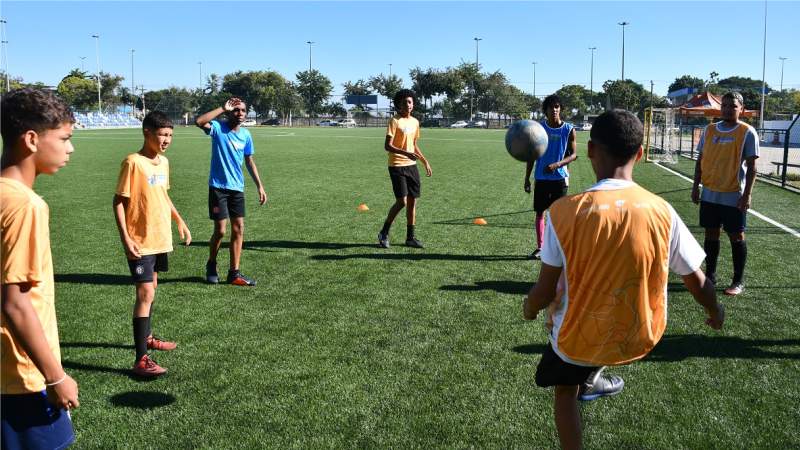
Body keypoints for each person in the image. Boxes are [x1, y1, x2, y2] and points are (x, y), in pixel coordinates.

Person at [523, 110, 725, 450]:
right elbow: (697, 280)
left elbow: (544, 291)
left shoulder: (565, 211)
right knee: (605, 306)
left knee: (563, 390)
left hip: (580, 336)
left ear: (589, 151)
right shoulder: (661, 210)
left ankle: (583, 387)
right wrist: (715, 310)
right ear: (640, 154)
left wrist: (528, 308)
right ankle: (593, 377)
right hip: (640, 334)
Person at [1, 88, 79, 449]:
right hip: (22, 376)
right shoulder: (24, 205)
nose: (70, 149)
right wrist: (55, 377)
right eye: (64, 138)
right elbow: (15, 302)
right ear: (31, 139)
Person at [113, 111, 191, 377]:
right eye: (162, 134)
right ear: (147, 132)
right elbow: (119, 202)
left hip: (160, 238)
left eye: (170, 135)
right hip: (140, 242)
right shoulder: (133, 162)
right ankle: (141, 359)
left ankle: (147, 337)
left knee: (152, 289)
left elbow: (163, 196)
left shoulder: (164, 162)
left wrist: (179, 220)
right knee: (145, 294)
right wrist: (126, 238)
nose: (167, 139)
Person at [691, 91, 759, 296]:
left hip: (733, 195)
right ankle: (710, 276)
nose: (728, 109)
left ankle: (738, 281)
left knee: (736, 236)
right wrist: (696, 187)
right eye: (726, 106)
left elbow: (753, 167)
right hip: (710, 193)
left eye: (733, 106)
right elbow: (700, 160)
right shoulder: (709, 130)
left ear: (742, 109)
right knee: (711, 233)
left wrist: (747, 194)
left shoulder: (747, 132)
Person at [195, 97, 267, 285]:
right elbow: (199, 121)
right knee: (220, 231)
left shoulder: (246, 135)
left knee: (238, 229)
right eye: (236, 110)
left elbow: (249, 161)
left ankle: (234, 273)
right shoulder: (218, 128)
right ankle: (211, 264)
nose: (240, 113)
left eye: (243, 110)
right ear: (229, 112)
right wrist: (222, 107)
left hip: (237, 188)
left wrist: (259, 186)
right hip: (218, 187)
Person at [377, 89, 432, 249]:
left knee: (412, 202)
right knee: (402, 202)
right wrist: (406, 153)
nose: (407, 104)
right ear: (398, 105)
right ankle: (384, 233)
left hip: (411, 166)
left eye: (409, 101)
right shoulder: (395, 121)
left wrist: (424, 161)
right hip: (397, 166)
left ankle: (410, 237)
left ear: (413, 104)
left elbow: (414, 145)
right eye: (403, 102)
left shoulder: (415, 122)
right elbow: (388, 146)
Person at [524, 94, 577, 259]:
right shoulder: (538, 130)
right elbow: (532, 156)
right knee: (540, 213)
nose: (554, 110)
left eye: (557, 107)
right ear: (545, 110)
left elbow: (574, 155)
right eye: (550, 107)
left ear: (560, 109)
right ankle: (540, 247)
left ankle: (559, 248)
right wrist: (526, 179)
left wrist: (557, 165)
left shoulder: (568, 129)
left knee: (559, 215)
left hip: (560, 180)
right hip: (541, 179)